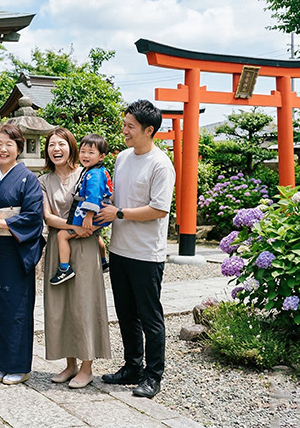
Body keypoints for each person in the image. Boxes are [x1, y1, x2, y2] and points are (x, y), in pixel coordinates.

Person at [95, 99, 175, 399]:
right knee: (126, 313)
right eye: (125, 124)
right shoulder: (123, 158)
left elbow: (158, 209)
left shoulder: (161, 165)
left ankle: (153, 376)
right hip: (119, 250)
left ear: (149, 130)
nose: (124, 130)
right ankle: (132, 367)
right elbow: (116, 195)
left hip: (146, 254)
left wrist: (119, 213)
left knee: (150, 316)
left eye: (130, 126)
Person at [39, 127, 111, 389]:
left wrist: (91, 229)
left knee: (84, 302)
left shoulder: (88, 173)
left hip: (85, 244)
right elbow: (48, 217)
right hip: (61, 243)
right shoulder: (44, 181)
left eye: (61, 144)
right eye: (51, 145)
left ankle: (87, 366)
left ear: (71, 147)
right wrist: (75, 228)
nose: (56, 149)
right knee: (60, 305)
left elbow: (101, 203)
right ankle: (69, 364)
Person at [0, 123, 44, 385]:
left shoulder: (28, 178)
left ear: (19, 149)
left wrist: (3, 223)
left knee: (15, 307)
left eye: (9, 145)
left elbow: (33, 217)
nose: (2, 149)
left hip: (16, 250)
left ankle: (19, 365)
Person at [50, 133, 113, 285]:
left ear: (101, 156)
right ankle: (104, 261)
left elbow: (93, 196)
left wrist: (89, 216)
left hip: (93, 214)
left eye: (91, 153)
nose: (85, 155)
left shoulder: (94, 174)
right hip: (99, 213)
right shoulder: (93, 170)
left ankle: (64, 268)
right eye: (83, 151)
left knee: (62, 236)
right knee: (97, 236)